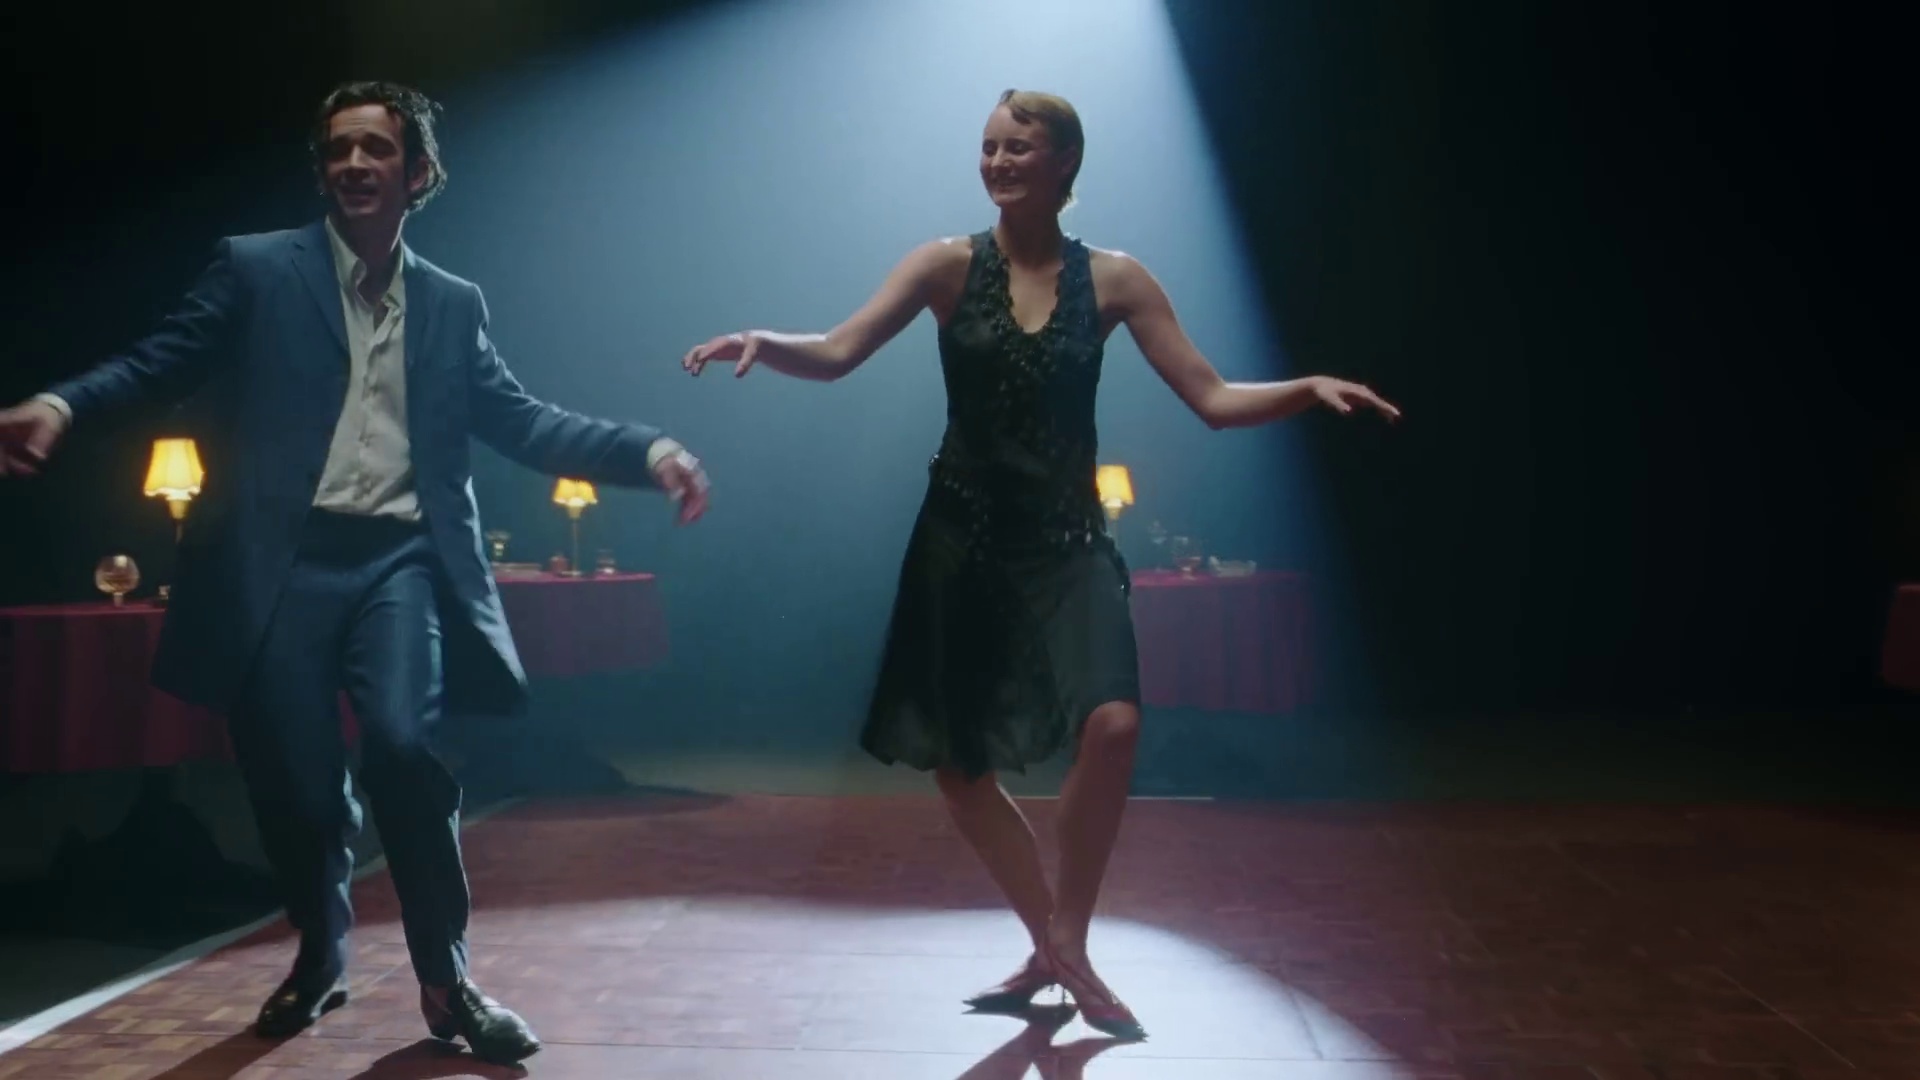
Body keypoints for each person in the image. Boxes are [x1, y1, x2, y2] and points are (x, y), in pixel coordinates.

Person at [0, 81, 710, 1065]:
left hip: (400, 563)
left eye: (376, 148)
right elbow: (160, 360)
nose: (353, 164)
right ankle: (322, 949)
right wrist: (64, 404)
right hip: (280, 567)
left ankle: (447, 979)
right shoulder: (258, 270)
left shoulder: (451, 304)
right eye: (338, 149)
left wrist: (647, 450)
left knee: (403, 747)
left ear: (417, 173)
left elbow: (521, 420)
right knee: (296, 787)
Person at [680, 88, 1400, 1040]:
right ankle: (1055, 946)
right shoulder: (944, 265)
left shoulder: (1117, 280)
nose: (997, 162)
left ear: (1065, 162)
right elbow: (841, 348)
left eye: (1017, 147)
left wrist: (1306, 387)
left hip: (1066, 544)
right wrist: (766, 343)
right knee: (958, 767)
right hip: (961, 543)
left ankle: (1066, 938)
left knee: (1114, 725)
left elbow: (1214, 398)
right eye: (988, 147)